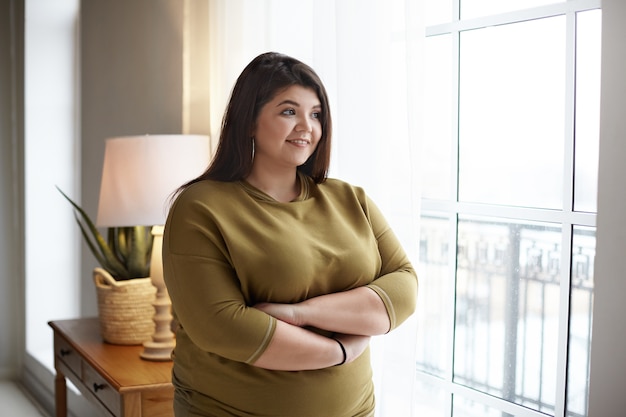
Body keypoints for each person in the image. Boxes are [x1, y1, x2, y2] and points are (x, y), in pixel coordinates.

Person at [162, 51, 418, 417]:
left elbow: (404, 287)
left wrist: (300, 314)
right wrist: (340, 351)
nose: (306, 126)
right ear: (249, 120)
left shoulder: (349, 198)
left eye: (316, 114)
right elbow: (222, 326)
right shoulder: (201, 207)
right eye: (288, 111)